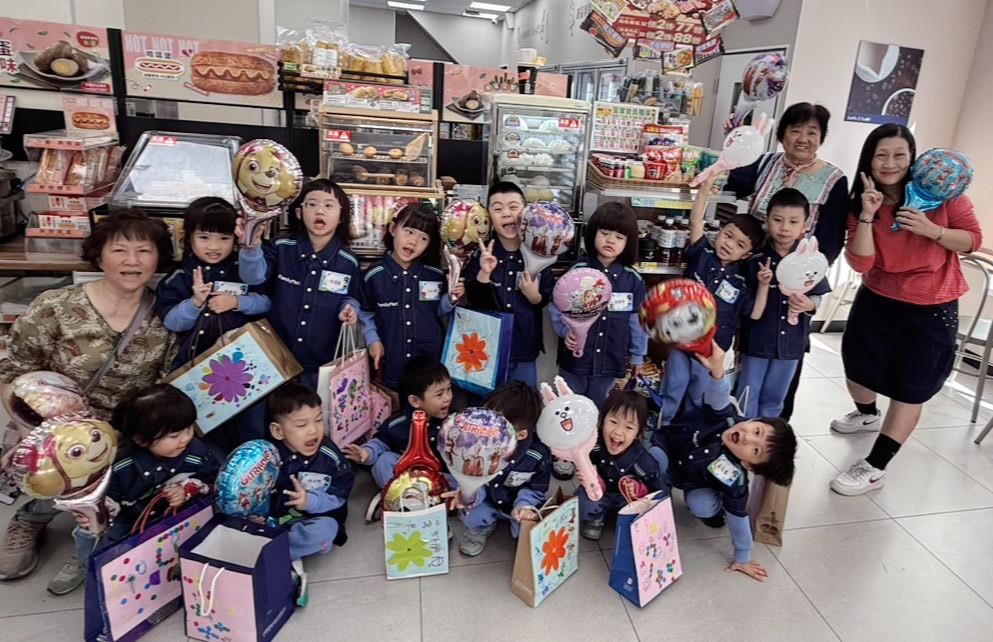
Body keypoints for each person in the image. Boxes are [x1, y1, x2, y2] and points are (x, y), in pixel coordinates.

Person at [0, 212, 178, 594]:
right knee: (61, 462)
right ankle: (33, 515)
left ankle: (93, 533)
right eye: (120, 250)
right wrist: (34, 430)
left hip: (125, 432)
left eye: (144, 250)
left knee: (135, 477)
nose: (132, 261)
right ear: (99, 256)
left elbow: (167, 384)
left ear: (158, 257)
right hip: (55, 430)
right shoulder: (56, 306)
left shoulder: (166, 315)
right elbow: (13, 371)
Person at [829, 125, 982, 496]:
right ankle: (867, 413)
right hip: (878, 298)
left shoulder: (944, 195)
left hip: (932, 305)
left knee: (909, 388)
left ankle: (875, 466)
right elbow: (862, 264)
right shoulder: (862, 201)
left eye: (900, 155)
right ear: (869, 159)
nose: (890, 163)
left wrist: (934, 231)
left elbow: (972, 240)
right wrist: (868, 215)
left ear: (913, 159)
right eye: (881, 155)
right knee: (857, 369)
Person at [725, 102, 850, 420]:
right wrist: (737, 145)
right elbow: (732, 185)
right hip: (756, 269)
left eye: (812, 132)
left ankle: (773, 430)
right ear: (781, 135)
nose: (803, 138)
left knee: (783, 369)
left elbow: (831, 240)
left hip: (798, 282)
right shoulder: (765, 163)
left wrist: (808, 283)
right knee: (746, 363)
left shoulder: (834, 179)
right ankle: (740, 426)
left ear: (821, 137)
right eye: (795, 130)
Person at [650, 341, 797, 581]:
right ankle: (652, 501)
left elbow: (739, 515)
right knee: (655, 462)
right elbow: (718, 396)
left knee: (702, 504)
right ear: (754, 420)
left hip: (693, 480)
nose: (748, 437)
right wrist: (717, 369)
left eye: (755, 449)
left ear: (748, 465)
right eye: (756, 430)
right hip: (669, 448)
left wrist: (743, 557)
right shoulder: (726, 418)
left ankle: (713, 507)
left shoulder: (733, 476)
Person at [72, 385, 219, 583]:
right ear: (141, 439)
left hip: (175, 517)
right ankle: (91, 571)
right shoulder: (120, 465)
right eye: (174, 436)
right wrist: (101, 511)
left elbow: (212, 481)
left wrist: (188, 489)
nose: (185, 438)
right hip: (128, 520)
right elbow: (110, 497)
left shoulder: (197, 452)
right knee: (106, 560)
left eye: (189, 428)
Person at [155, 197, 270, 444]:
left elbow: (265, 301)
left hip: (246, 367)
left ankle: (253, 461)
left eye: (224, 238)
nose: (214, 246)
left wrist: (237, 302)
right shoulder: (180, 277)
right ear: (188, 237)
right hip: (196, 365)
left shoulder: (242, 269)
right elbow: (173, 322)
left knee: (250, 424)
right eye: (204, 237)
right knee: (197, 423)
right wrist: (195, 303)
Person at [659, 173, 765, 425]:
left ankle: (688, 433)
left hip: (712, 351)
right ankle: (664, 427)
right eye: (728, 235)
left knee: (698, 394)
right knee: (674, 386)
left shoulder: (740, 283)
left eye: (740, 244)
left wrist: (763, 286)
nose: (729, 244)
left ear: (746, 255)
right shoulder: (702, 254)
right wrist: (704, 192)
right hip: (682, 340)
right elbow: (696, 222)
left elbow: (755, 313)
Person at [238, 179, 361, 391]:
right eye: (311, 204)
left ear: (342, 216)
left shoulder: (348, 261)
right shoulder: (281, 247)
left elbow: (352, 296)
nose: (319, 210)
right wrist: (251, 248)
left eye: (329, 205)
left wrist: (349, 309)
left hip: (321, 364)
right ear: (298, 213)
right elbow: (253, 278)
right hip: (273, 358)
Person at [738, 188, 831, 418]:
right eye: (778, 220)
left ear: (805, 225)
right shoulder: (755, 259)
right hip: (757, 341)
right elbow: (744, 301)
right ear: (766, 220)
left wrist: (808, 305)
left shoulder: (810, 259)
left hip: (791, 344)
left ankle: (768, 434)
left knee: (776, 397)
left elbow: (817, 295)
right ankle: (742, 432)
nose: (785, 228)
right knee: (747, 393)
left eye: (793, 222)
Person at [549, 202, 649, 408]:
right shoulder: (577, 271)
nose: (610, 240)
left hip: (610, 360)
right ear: (592, 233)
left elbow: (638, 321)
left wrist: (638, 356)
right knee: (568, 406)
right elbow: (557, 305)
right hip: (576, 360)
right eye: (604, 233)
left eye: (619, 237)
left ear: (629, 242)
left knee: (598, 408)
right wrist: (565, 331)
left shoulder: (633, 280)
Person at [359, 204, 462, 393]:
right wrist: (372, 339)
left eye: (423, 238)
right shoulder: (373, 275)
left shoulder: (434, 275)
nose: (413, 242)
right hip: (390, 363)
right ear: (393, 229)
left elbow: (438, 311)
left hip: (429, 368)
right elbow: (366, 312)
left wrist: (451, 299)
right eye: (409, 232)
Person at [464, 182, 554, 387]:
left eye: (513, 207)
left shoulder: (539, 254)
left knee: (523, 401)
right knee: (487, 403)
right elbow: (474, 300)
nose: (506, 213)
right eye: (497, 209)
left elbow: (545, 298)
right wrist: (484, 273)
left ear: (526, 212)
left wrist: (534, 296)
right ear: (489, 217)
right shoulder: (481, 253)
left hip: (524, 347)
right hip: (485, 349)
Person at [341, 358, 453, 519]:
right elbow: (380, 442)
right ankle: (396, 501)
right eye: (440, 394)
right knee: (383, 460)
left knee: (466, 484)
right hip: (407, 480)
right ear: (415, 401)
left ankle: (437, 505)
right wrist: (366, 453)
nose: (447, 397)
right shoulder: (397, 423)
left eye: (449, 389)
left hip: (439, 479)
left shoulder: (454, 423)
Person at [457, 381, 550, 557]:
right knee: (471, 514)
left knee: (530, 528)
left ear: (521, 435)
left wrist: (524, 506)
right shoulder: (477, 445)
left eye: (497, 429)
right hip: (486, 500)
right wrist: (470, 495)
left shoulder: (538, 455)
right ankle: (480, 528)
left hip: (517, 505)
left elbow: (537, 489)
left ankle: (520, 521)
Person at [268, 383, 355, 563]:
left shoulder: (330, 456)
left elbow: (340, 494)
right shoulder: (267, 456)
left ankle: (276, 554)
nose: (313, 430)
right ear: (278, 431)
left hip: (318, 518)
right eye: (302, 425)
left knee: (324, 531)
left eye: (318, 420)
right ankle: (276, 545)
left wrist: (310, 501)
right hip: (276, 517)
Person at [577, 390, 667, 541]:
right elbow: (583, 461)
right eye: (613, 422)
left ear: (638, 433)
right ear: (602, 421)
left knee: (641, 511)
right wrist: (588, 475)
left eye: (629, 427)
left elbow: (657, 491)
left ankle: (627, 520)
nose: (618, 432)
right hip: (599, 494)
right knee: (582, 497)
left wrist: (639, 490)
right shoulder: (593, 445)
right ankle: (595, 518)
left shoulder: (644, 462)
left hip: (626, 501)